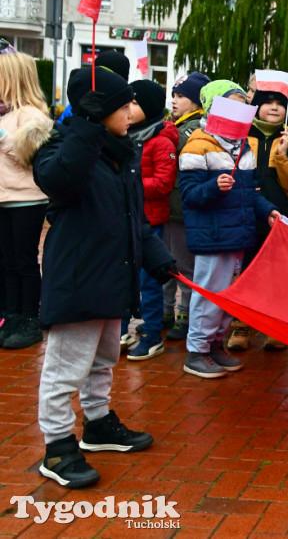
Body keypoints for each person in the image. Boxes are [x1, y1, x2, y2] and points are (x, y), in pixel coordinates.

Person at [14, 66, 176, 488]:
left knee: (104, 358)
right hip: (79, 279)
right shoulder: (61, 148)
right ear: (98, 111)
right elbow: (63, 180)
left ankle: (99, 423)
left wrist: (157, 258)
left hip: (111, 279)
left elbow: (133, 220)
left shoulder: (120, 154)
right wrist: (84, 124)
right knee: (65, 368)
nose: (131, 111)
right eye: (123, 105)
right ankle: (57, 446)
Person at [179, 81, 279, 379]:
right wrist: (213, 186)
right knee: (209, 293)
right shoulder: (198, 145)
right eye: (230, 105)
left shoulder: (243, 146)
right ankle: (197, 351)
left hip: (238, 235)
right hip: (213, 236)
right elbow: (189, 194)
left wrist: (267, 210)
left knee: (227, 295)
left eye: (241, 105)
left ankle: (215, 345)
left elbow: (251, 192)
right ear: (213, 108)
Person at [226, 82, 288, 352]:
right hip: (246, 213)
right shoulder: (242, 136)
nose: (274, 107)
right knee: (245, 270)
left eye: (280, 104)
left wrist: (284, 154)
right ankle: (241, 324)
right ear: (255, 106)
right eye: (268, 102)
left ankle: (275, 326)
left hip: (281, 216)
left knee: (278, 272)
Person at [122, 79, 179, 361]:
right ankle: (120, 331)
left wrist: (127, 183)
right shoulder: (126, 134)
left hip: (151, 221)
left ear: (149, 106)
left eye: (133, 103)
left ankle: (153, 334)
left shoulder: (161, 140)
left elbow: (163, 183)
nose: (128, 108)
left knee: (149, 281)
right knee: (121, 277)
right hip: (125, 218)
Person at [0, 49, 52, 349]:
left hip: (27, 200)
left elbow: (32, 159)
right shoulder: (5, 113)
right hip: (5, 198)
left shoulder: (33, 115)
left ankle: (31, 318)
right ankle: (14, 316)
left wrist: (4, 137)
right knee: (8, 262)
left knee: (25, 262)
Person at [163, 71, 210, 341]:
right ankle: (166, 310)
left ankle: (185, 313)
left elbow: (179, 146)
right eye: (174, 95)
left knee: (184, 266)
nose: (175, 100)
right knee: (167, 263)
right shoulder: (175, 123)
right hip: (168, 206)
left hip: (182, 207)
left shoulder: (195, 127)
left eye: (181, 96)